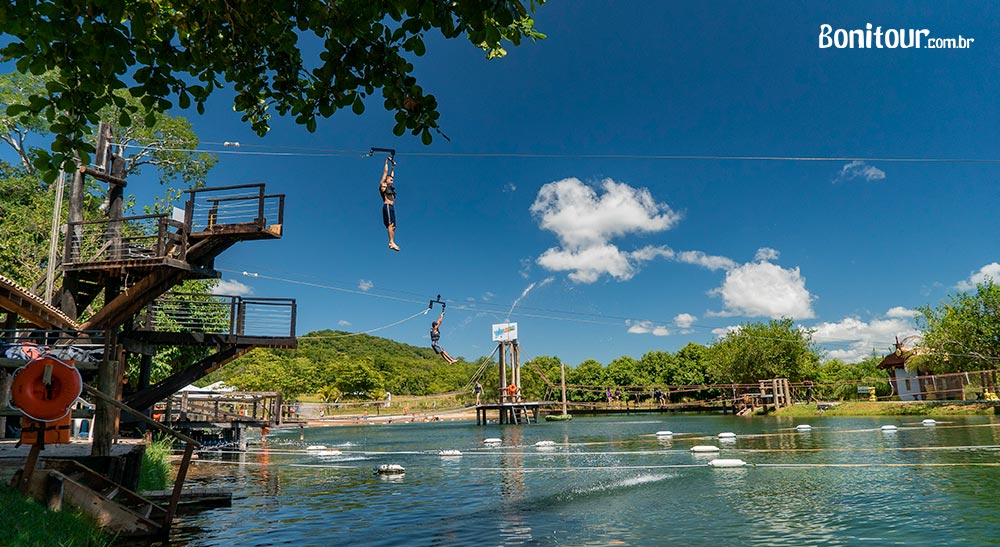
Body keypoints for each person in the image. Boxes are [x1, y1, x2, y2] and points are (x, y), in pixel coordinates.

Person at [379, 156, 400, 251]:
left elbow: (392, 176)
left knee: (394, 226)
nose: (392, 180)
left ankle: (392, 241)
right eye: (390, 180)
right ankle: (391, 242)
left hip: (392, 207)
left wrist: (393, 167)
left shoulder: (390, 187)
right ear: (386, 180)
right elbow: (385, 173)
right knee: (390, 224)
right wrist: (387, 162)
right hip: (387, 206)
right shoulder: (383, 184)